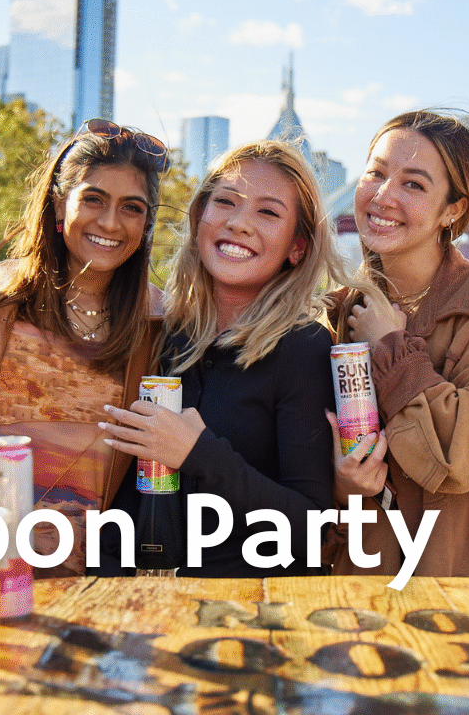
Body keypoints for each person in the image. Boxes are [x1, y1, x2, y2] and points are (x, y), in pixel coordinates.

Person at [0, 119, 166, 576]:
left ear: (146, 224)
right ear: (60, 205)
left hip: (98, 585)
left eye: (132, 208)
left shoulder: (160, 324)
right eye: (93, 199)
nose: (110, 222)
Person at [100, 141, 351, 576]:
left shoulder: (303, 347)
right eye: (225, 202)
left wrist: (197, 452)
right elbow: (128, 492)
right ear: (199, 220)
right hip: (154, 614)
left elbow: (311, 527)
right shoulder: (164, 334)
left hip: (257, 617)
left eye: (268, 212)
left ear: (298, 247)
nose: (238, 223)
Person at [324, 111, 469, 581]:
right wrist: (343, 485)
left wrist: (390, 345)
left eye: (414, 185)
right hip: (361, 598)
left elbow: (460, 455)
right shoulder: (338, 312)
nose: (384, 196)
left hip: (467, 601)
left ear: (452, 211)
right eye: (376, 173)